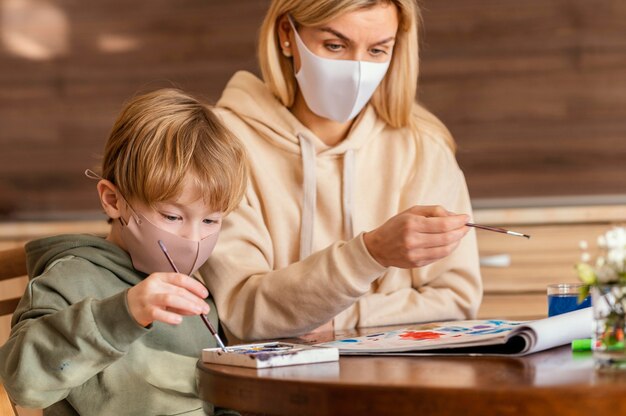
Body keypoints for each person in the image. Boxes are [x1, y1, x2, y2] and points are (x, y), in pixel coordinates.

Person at [200, 0, 482, 342]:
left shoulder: (423, 148)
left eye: (378, 50)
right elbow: (244, 312)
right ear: (287, 34)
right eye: (335, 45)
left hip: (395, 385)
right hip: (265, 390)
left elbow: (456, 301)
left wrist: (344, 317)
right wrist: (370, 254)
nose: (357, 69)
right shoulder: (221, 144)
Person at [0, 89, 247, 415]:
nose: (194, 238)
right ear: (114, 201)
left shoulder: (199, 290)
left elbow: (216, 401)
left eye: (211, 220)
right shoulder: (71, 278)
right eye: (172, 216)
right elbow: (23, 383)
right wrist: (122, 314)